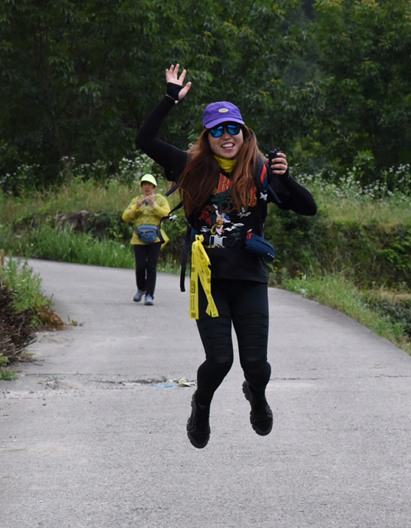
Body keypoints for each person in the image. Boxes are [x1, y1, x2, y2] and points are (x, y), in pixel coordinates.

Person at [135, 64, 317, 449]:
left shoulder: (261, 169)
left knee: (256, 366)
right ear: (207, 137)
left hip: (250, 279)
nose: (226, 135)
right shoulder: (189, 166)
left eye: (233, 128)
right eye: (217, 130)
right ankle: (200, 406)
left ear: (244, 133)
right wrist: (169, 98)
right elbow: (145, 138)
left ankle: (257, 395)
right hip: (209, 281)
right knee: (220, 361)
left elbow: (308, 208)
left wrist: (285, 178)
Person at [122, 173, 170, 306]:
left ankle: (149, 295)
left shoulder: (160, 199)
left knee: (151, 266)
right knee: (140, 266)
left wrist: (154, 206)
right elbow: (125, 217)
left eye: (149, 185)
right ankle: (141, 289)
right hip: (139, 239)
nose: (147, 187)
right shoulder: (136, 200)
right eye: (144, 185)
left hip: (155, 238)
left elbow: (167, 214)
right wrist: (135, 208)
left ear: (154, 187)